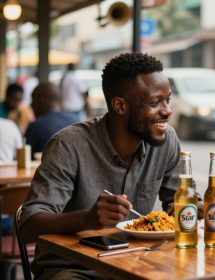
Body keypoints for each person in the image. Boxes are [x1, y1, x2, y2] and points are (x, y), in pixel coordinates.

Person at [19, 53, 180, 279]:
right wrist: (87, 219)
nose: (167, 110)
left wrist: (195, 208)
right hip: (72, 266)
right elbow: (28, 225)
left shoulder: (166, 140)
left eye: (167, 100)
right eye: (155, 103)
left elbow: (177, 202)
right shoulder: (69, 145)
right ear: (120, 105)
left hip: (136, 261)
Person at [25, 82, 79, 158]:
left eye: (33, 100)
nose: (31, 105)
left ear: (41, 100)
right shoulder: (78, 121)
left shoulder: (35, 127)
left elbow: (27, 160)